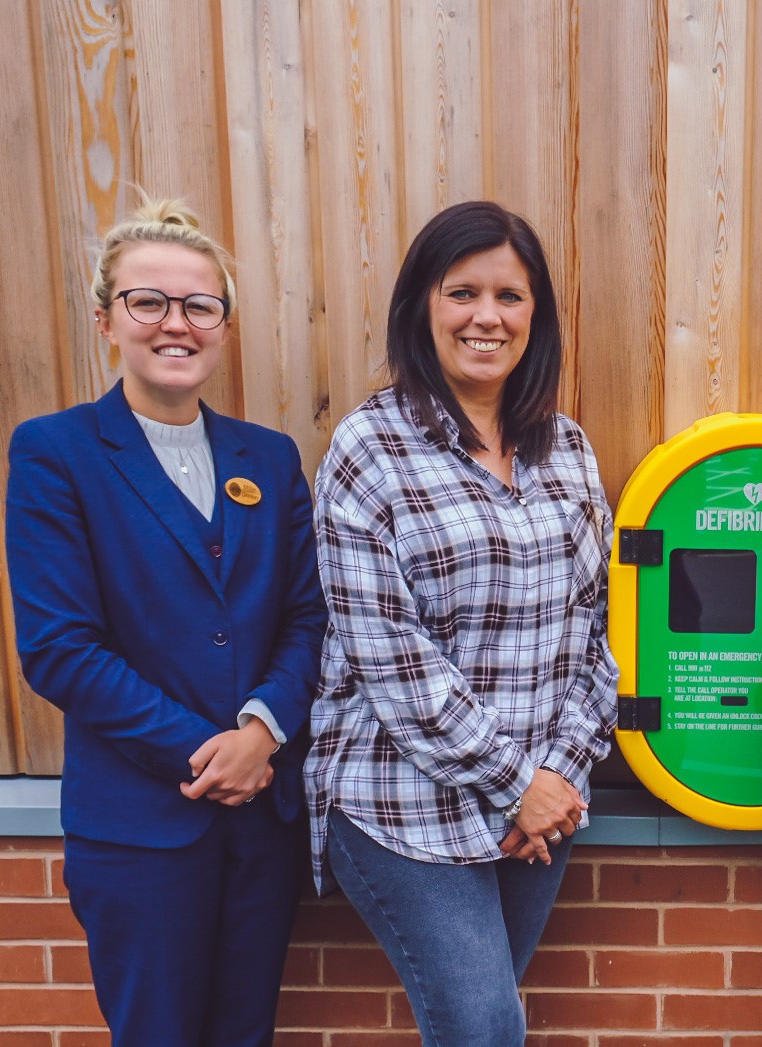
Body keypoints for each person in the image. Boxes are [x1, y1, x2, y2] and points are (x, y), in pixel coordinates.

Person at [4, 197, 325, 1046]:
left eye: (199, 305)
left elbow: (306, 615)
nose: (174, 323)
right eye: (148, 301)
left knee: (244, 1033)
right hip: (140, 830)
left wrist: (261, 729)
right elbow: (59, 649)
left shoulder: (271, 456)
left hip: (262, 824)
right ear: (107, 318)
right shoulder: (56, 453)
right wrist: (207, 751)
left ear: (223, 323)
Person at [306, 200, 619, 1046]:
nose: (487, 316)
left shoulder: (568, 449)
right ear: (422, 307)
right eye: (462, 292)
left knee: (479, 1024)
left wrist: (553, 780)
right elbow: (393, 664)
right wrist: (519, 779)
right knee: (484, 1027)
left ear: (535, 316)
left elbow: (594, 636)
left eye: (510, 297)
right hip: (400, 799)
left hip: (541, 807)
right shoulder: (369, 449)